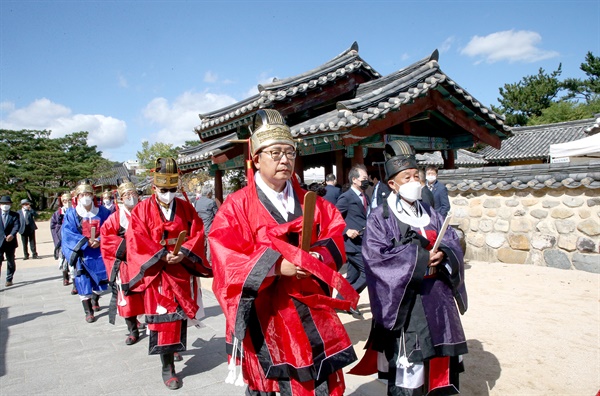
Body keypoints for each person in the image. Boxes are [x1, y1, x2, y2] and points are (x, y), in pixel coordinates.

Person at [210, 109, 359, 396]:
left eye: (290, 152)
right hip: (266, 310)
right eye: (275, 152)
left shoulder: (310, 200)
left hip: (310, 305)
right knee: (272, 382)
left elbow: (334, 234)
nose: (284, 159)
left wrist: (317, 259)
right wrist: (277, 267)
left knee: (319, 378)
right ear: (256, 158)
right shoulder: (236, 206)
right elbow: (226, 260)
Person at [350, 141, 468, 395]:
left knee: (441, 358)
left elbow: (450, 241)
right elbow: (376, 259)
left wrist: (445, 253)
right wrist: (421, 257)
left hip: (439, 296)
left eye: (417, 176)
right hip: (407, 301)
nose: (415, 181)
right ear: (392, 184)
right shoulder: (381, 216)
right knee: (411, 364)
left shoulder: (429, 211)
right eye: (407, 177)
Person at [126, 157, 212, 390]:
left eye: (172, 189)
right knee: (163, 317)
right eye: (164, 190)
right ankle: (167, 367)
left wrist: (184, 252)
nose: (168, 193)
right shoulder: (142, 210)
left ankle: (173, 350)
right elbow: (136, 238)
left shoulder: (185, 207)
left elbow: (197, 231)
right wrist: (161, 255)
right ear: (154, 187)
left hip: (180, 268)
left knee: (180, 315)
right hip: (158, 270)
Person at [100, 178, 146, 346]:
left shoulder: (146, 212)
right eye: (126, 194)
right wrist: (128, 246)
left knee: (151, 294)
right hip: (126, 262)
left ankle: (155, 326)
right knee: (128, 295)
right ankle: (133, 329)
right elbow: (106, 239)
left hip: (146, 260)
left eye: (133, 193)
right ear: (120, 198)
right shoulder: (115, 218)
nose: (130, 197)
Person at [62, 179, 111, 322]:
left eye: (88, 193)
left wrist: (100, 240)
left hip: (98, 252)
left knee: (100, 282)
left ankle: (95, 299)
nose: (85, 197)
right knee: (82, 280)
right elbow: (68, 233)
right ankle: (88, 311)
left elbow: (110, 229)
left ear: (93, 195)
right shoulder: (71, 214)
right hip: (82, 252)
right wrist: (84, 241)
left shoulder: (103, 212)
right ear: (77, 198)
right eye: (82, 194)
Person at [335, 164, 370, 316]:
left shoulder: (365, 196)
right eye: (364, 178)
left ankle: (340, 302)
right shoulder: (346, 197)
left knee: (353, 276)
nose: (367, 181)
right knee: (368, 273)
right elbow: (335, 217)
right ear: (354, 180)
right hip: (352, 244)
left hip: (363, 241)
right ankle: (347, 299)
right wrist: (346, 230)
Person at [51, 193, 76, 290]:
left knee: (73, 263)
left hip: (72, 241)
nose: (67, 203)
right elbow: (53, 227)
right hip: (62, 241)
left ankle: (75, 284)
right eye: (65, 201)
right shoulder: (58, 213)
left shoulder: (75, 211)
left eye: (69, 201)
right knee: (63, 261)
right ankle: (65, 276)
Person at [193, 184, 218, 262]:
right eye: (211, 193)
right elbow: (217, 215)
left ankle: (200, 259)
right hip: (209, 227)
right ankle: (208, 260)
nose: (212, 195)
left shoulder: (196, 201)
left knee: (201, 244)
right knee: (210, 243)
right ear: (208, 194)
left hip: (199, 227)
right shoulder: (211, 202)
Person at [0, 196, 20, 287]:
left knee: (10, 261)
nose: (5, 205)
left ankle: (9, 278)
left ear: (10, 205)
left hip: (10, 242)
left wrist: (12, 234)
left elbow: (16, 226)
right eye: (3, 204)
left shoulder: (15, 215)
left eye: (7, 204)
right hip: (0, 242)